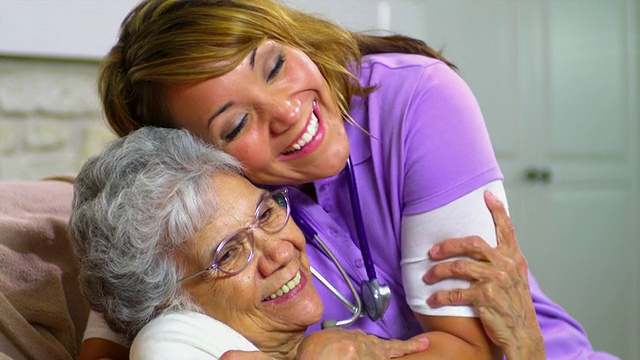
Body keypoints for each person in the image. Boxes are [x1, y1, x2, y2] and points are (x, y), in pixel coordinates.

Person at [91, 0, 617, 359]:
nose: (287, 111)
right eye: (236, 124)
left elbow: (469, 348)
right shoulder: (219, 215)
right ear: (193, 158)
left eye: (274, 67)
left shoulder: (419, 100)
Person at [68, 126, 487, 359]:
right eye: (230, 253)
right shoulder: (167, 343)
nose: (281, 251)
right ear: (168, 305)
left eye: (266, 213)